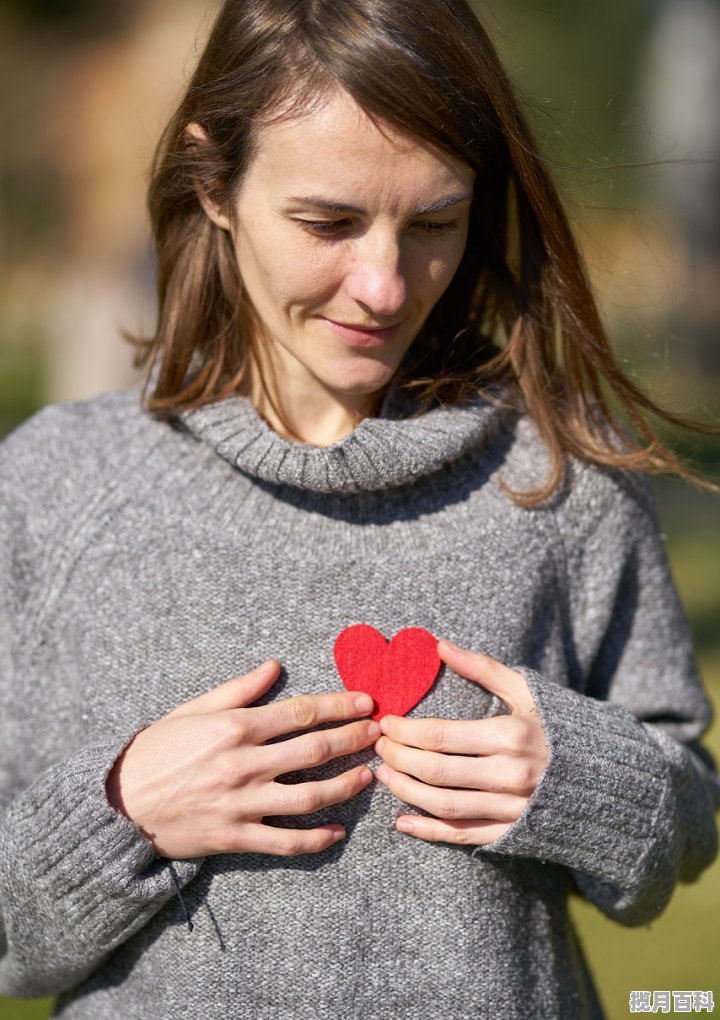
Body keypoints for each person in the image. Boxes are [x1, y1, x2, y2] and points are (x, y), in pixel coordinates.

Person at [0, 0, 717, 1017]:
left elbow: (685, 817)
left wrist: (583, 780)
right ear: (215, 183)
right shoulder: (53, 489)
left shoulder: (563, 477)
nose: (384, 285)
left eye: (434, 224)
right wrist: (124, 813)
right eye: (328, 223)